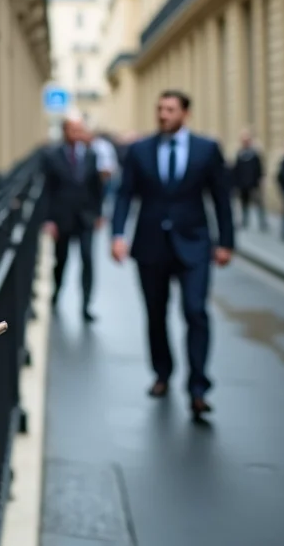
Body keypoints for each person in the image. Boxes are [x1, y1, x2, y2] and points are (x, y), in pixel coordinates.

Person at [110, 90, 233, 423]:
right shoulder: (139, 150)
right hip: (150, 245)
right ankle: (162, 374)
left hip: (194, 244)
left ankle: (198, 388)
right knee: (156, 314)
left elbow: (221, 197)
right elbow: (125, 195)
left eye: (170, 109)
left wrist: (226, 242)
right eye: (159, 108)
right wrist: (118, 235)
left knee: (195, 311)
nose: (163, 114)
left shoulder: (207, 149)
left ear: (185, 113)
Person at [41, 114, 104, 322]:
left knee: (88, 260)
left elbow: (97, 187)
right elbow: (47, 190)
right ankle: (56, 294)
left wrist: (99, 213)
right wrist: (48, 220)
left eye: (79, 129)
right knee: (62, 261)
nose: (76, 134)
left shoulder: (91, 155)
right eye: (72, 130)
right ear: (64, 131)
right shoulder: (52, 156)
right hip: (62, 218)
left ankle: (86, 304)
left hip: (85, 218)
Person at [230, 129, 267, 231]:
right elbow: (236, 170)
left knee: (259, 204)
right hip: (243, 184)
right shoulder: (240, 154)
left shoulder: (254, 154)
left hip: (254, 183)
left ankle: (262, 222)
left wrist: (260, 180)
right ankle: (244, 221)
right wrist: (235, 183)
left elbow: (259, 169)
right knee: (244, 204)